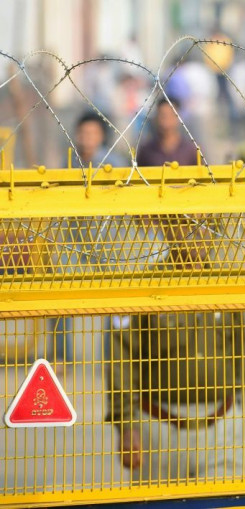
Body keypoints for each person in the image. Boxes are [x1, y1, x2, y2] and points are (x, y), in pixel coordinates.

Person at [106, 214, 245, 480]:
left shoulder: (230, 287)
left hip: (222, 428)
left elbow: (244, 358)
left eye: (207, 222)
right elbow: (122, 360)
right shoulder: (146, 288)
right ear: (165, 227)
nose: (198, 230)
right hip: (160, 430)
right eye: (185, 221)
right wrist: (126, 424)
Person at [47, 112, 125, 372]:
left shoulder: (113, 163)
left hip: (106, 241)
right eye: (83, 133)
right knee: (60, 294)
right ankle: (61, 355)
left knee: (111, 300)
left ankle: (111, 354)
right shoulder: (69, 162)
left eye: (92, 133)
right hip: (74, 239)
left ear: (102, 136)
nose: (87, 138)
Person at [138, 98, 199, 167]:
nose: (166, 123)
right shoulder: (146, 151)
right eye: (162, 116)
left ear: (178, 118)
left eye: (170, 116)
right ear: (156, 118)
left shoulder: (191, 150)